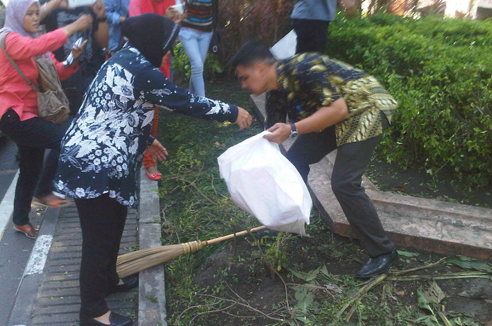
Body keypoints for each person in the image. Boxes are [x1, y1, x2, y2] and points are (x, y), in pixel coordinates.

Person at [53, 14, 252, 326]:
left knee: (115, 222)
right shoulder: (140, 69)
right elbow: (185, 102)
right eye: (168, 45)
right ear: (153, 43)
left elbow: (116, 109)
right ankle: (91, 312)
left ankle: (108, 279)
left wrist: (146, 138)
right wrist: (232, 110)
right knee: (98, 238)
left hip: (104, 157)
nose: (169, 51)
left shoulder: (125, 58)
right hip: (93, 163)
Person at [231, 40, 399, 278]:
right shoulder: (275, 93)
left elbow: (338, 109)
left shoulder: (304, 67)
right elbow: (271, 138)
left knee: (344, 183)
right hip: (335, 114)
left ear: (259, 68)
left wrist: (293, 128)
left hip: (365, 108)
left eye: (244, 77)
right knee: (293, 163)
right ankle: (289, 223)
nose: (243, 85)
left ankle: (384, 251)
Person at [0, 0, 92, 239]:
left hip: (31, 112)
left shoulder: (36, 41)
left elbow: (56, 71)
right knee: (66, 140)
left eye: (35, 13)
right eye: (28, 14)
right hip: (13, 113)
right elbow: (31, 48)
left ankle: (20, 219)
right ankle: (44, 190)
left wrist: (73, 58)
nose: (34, 18)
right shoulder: (9, 38)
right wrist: (71, 29)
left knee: (30, 167)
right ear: (17, 16)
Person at [126, 0, 185, 181]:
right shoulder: (137, 3)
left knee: (154, 113)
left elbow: (171, 39)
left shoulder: (171, 2)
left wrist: (176, 22)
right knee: (142, 113)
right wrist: (164, 21)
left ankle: (146, 152)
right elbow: (139, 36)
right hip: (140, 68)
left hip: (160, 65)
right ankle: (147, 160)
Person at [41, 0, 109, 117]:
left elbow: (103, 42)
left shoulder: (89, 3)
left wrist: (101, 17)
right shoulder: (49, 4)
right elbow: (28, 19)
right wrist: (56, 3)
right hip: (60, 74)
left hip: (90, 70)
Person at [178, 0, 215, 97]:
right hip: (188, 31)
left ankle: (191, 99)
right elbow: (180, 5)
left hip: (206, 32)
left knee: (198, 68)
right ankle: (203, 104)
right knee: (197, 66)